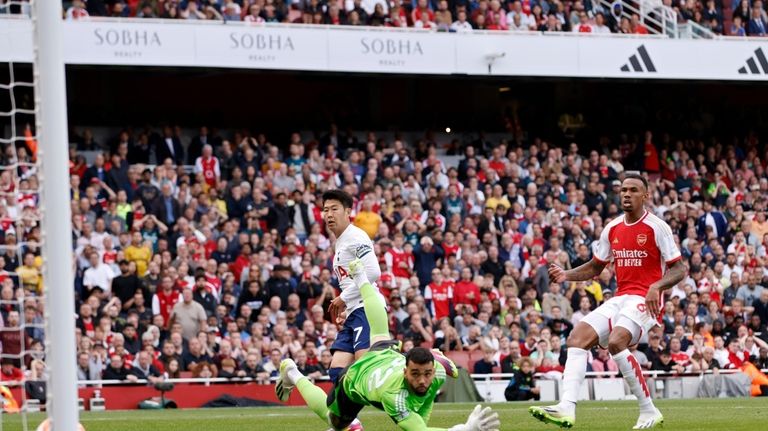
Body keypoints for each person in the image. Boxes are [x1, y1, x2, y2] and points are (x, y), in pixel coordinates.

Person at [529, 174, 686, 429]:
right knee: (576, 337)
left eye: (633, 190)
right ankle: (566, 408)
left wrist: (656, 287)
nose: (626, 194)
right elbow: (595, 266)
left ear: (645, 195)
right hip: (621, 297)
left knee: (616, 341)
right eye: (623, 190)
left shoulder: (657, 227)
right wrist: (567, 274)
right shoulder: (612, 228)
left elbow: (679, 269)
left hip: (646, 300)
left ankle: (648, 410)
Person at [275, 258, 500, 431]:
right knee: (336, 423)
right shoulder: (396, 397)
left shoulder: (439, 372)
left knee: (381, 332)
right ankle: (292, 372)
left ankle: (362, 278)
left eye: (426, 374)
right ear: (405, 372)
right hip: (355, 379)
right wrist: (465, 428)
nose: (422, 380)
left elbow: (426, 402)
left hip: (384, 356)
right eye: (415, 374)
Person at [322, 189, 384, 431]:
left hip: (367, 308)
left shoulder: (356, 237)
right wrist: (346, 303)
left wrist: (342, 298)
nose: (329, 214)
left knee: (365, 370)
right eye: (325, 209)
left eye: (334, 208)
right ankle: (352, 422)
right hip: (355, 310)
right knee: (337, 370)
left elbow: (373, 272)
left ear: (349, 212)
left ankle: (414, 375)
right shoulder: (341, 242)